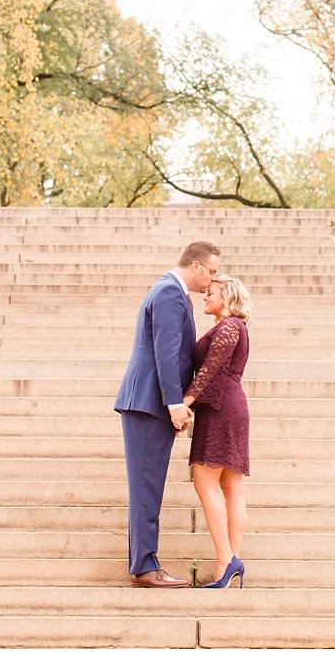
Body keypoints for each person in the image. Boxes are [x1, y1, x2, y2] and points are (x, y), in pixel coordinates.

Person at [114, 240, 221, 588]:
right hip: (148, 403)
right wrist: (175, 403)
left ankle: (144, 563)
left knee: (148, 486)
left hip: (148, 403)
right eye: (212, 271)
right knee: (146, 486)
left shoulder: (171, 293)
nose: (212, 280)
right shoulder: (168, 294)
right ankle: (145, 568)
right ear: (195, 266)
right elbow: (166, 350)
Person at [182, 275, 252, 589]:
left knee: (205, 481)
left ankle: (226, 560)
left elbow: (210, 368)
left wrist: (185, 402)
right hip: (230, 406)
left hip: (221, 409)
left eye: (210, 293)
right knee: (231, 485)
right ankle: (231, 560)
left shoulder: (228, 327)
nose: (204, 297)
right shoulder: (236, 327)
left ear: (227, 295)